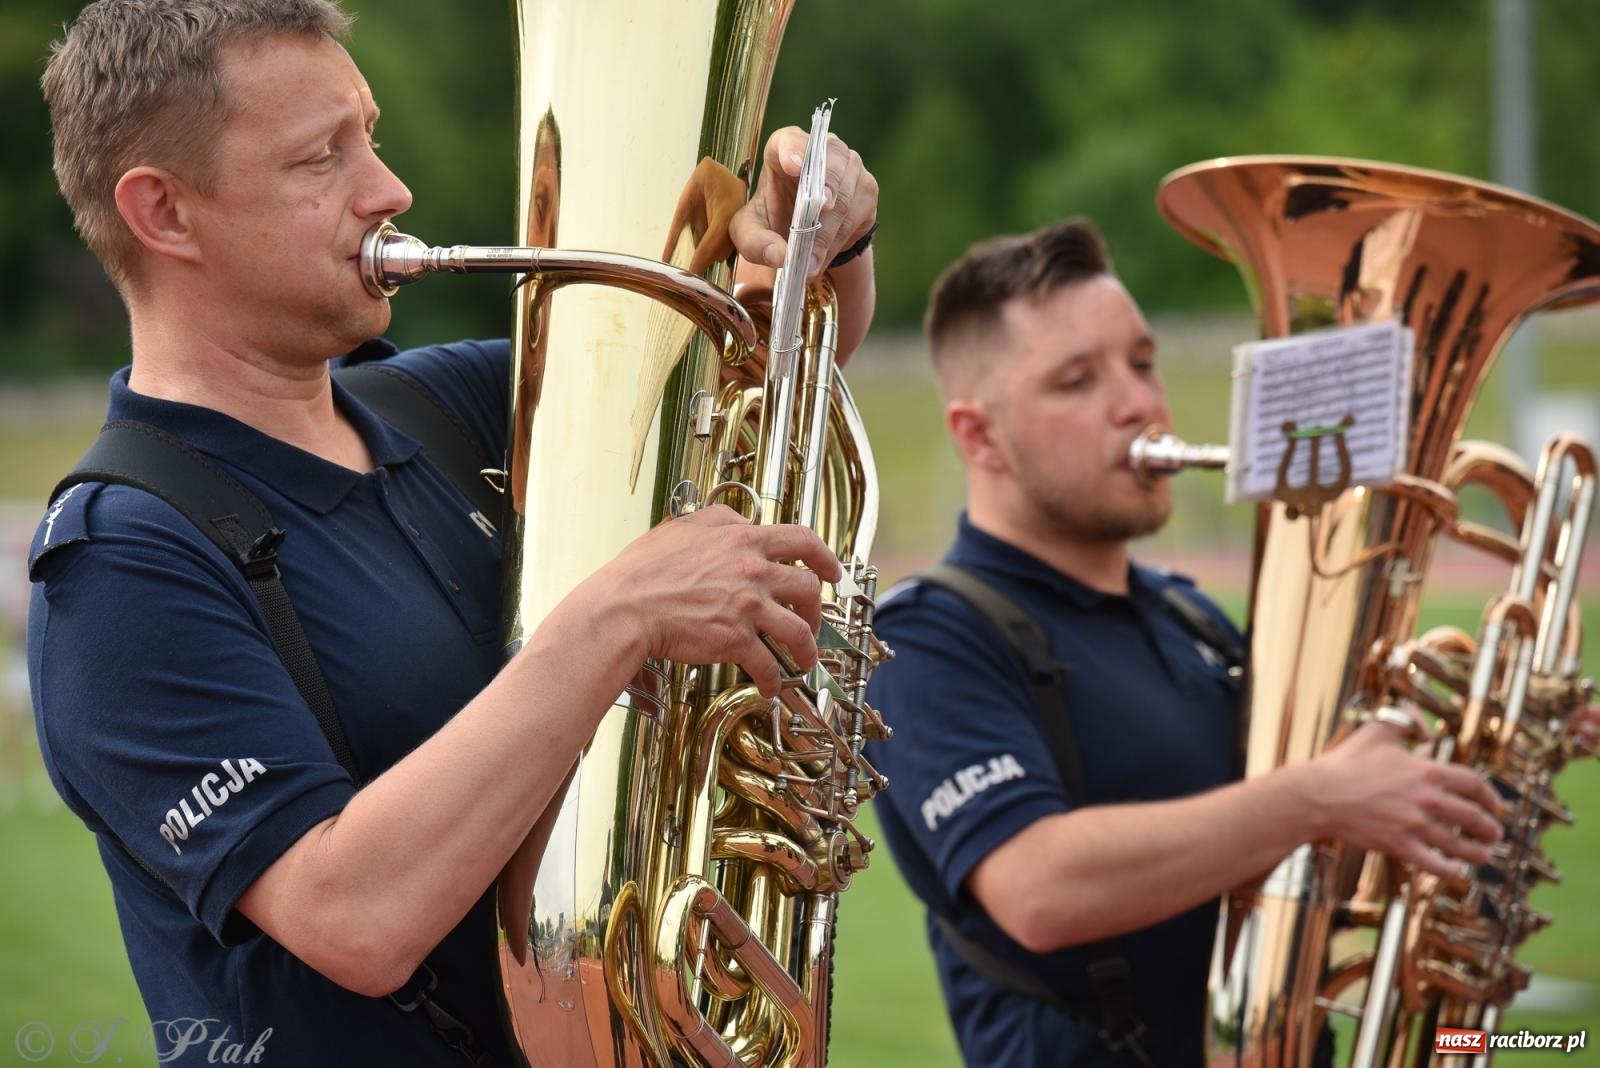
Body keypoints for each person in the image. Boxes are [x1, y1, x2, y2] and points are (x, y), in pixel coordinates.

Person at [27, 1, 879, 1064]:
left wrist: (819, 243)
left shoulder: (453, 401)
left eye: (369, 134)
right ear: (164, 212)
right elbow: (354, 918)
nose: (387, 189)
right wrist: (613, 617)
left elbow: (770, 369)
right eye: (319, 159)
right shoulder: (120, 563)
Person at [861, 219, 1510, 1067]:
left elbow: (1324, 866)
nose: (1139, 402)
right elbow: (1037, 886)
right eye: (1075, 380)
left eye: (1141, 361)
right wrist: (1319, 796)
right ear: (979, 437)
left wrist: (1468, 764)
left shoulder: (1189, 616)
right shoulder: (928, 635)